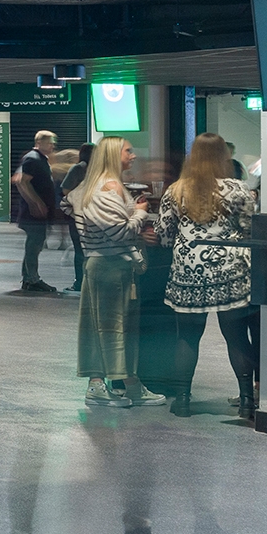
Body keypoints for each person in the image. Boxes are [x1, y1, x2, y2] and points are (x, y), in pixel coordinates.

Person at [159, 133, 258, 419]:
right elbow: (250, 228)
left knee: (187, 337)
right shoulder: (239, 189)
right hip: (232, 272)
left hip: (188, 272)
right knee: (236, 337)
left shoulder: (176, 190)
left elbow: (165, 235)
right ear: (223, 157)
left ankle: (183, 400)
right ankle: (247, 400)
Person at [71, 135, 153, 407]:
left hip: (100, 264)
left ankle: (100, 384)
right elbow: (120, 232)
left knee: (97, 328)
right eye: (128, 151)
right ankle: (126, 384)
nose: (133, 155)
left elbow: (67, 204)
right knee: (115, 328)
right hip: (111, 266)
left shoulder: (92, 186)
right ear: (113, 155)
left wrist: (89, 234)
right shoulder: (109, 187)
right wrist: (140, 213)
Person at [12, 129, 62, 293]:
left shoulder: (39, 159)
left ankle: (29, 277)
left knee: (34, 244)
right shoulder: (33, 159)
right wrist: (36, 203)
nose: (53, 145)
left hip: (37, 212)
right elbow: (22, 182)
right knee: (34, 245)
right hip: (33, 214)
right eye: (50, 142)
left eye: (54, 142)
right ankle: (32, 279)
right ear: (39, 143)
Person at [60, 142, 94, 290]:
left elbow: (65, 189)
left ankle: (80, 282)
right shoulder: (85, 169)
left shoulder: (79, 168)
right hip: (87, 214)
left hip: (79, 216)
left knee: (80, 250)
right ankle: (84, 281)